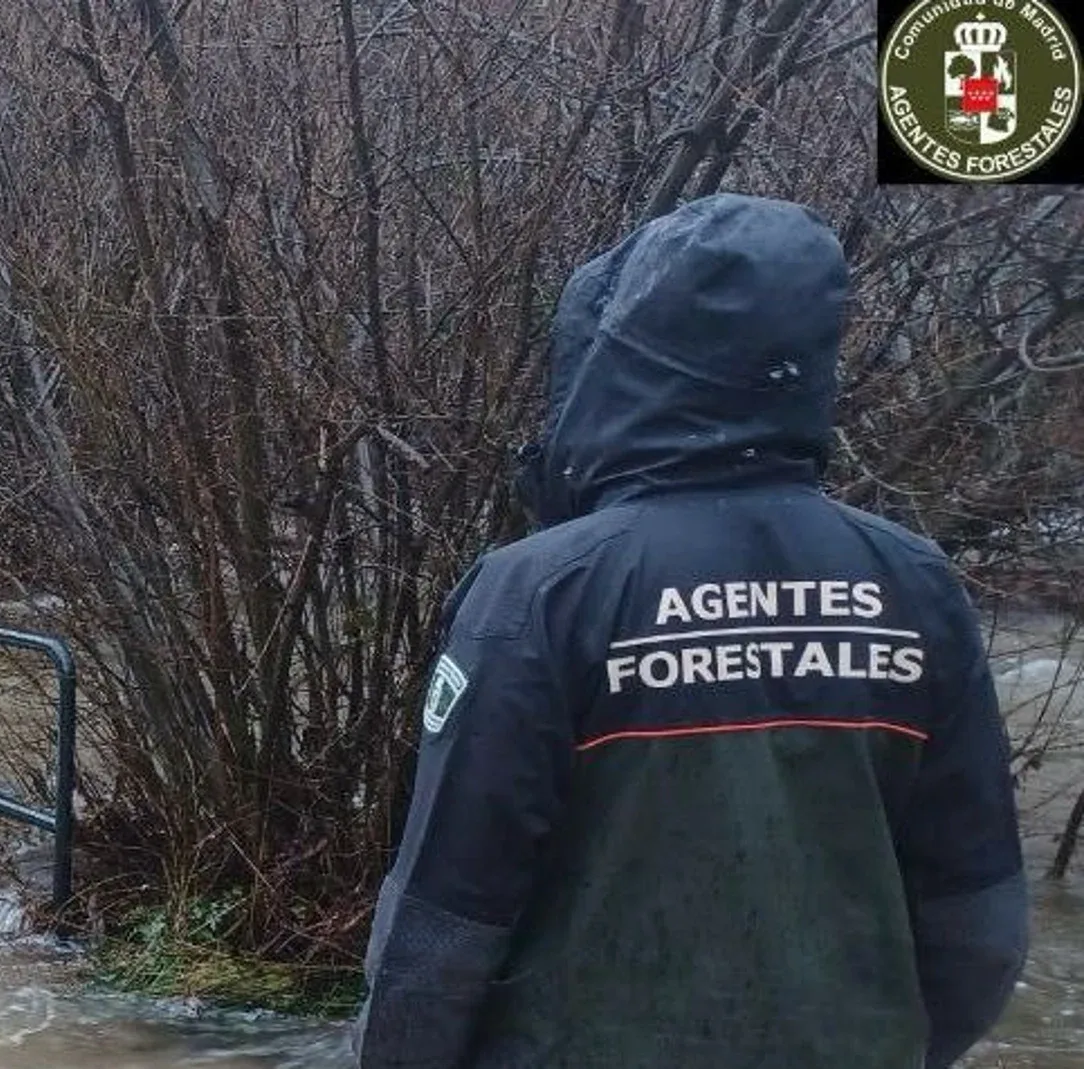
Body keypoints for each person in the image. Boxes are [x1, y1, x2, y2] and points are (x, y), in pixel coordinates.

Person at [353, 193, 1029, 1069]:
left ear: (613, 361)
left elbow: (438, 937)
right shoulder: (913, 581)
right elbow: (980, 926)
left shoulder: (544, 591)